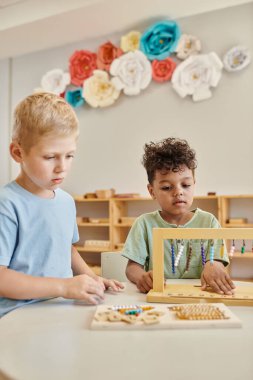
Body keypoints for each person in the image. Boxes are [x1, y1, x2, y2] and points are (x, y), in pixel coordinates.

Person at [0, 92, 123, 318]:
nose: (62, 167)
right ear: (18, 153)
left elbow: (65, 247)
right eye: (50, 157)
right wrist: (64, 287)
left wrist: (92, 278)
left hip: (60, 307)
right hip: (18, 315)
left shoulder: (65, 201)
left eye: (69, 156)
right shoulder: (7, 204)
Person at [122, 137, 235, 295]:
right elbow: (132, 268)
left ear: (194, 184)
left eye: (186, 185)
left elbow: (217, 260)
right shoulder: (144, 224)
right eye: (167, 187)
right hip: (160, 295)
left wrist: (215, 264)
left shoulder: (209, 221)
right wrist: (142, 277)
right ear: (152, 191)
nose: (178, 192)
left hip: (200, 295)